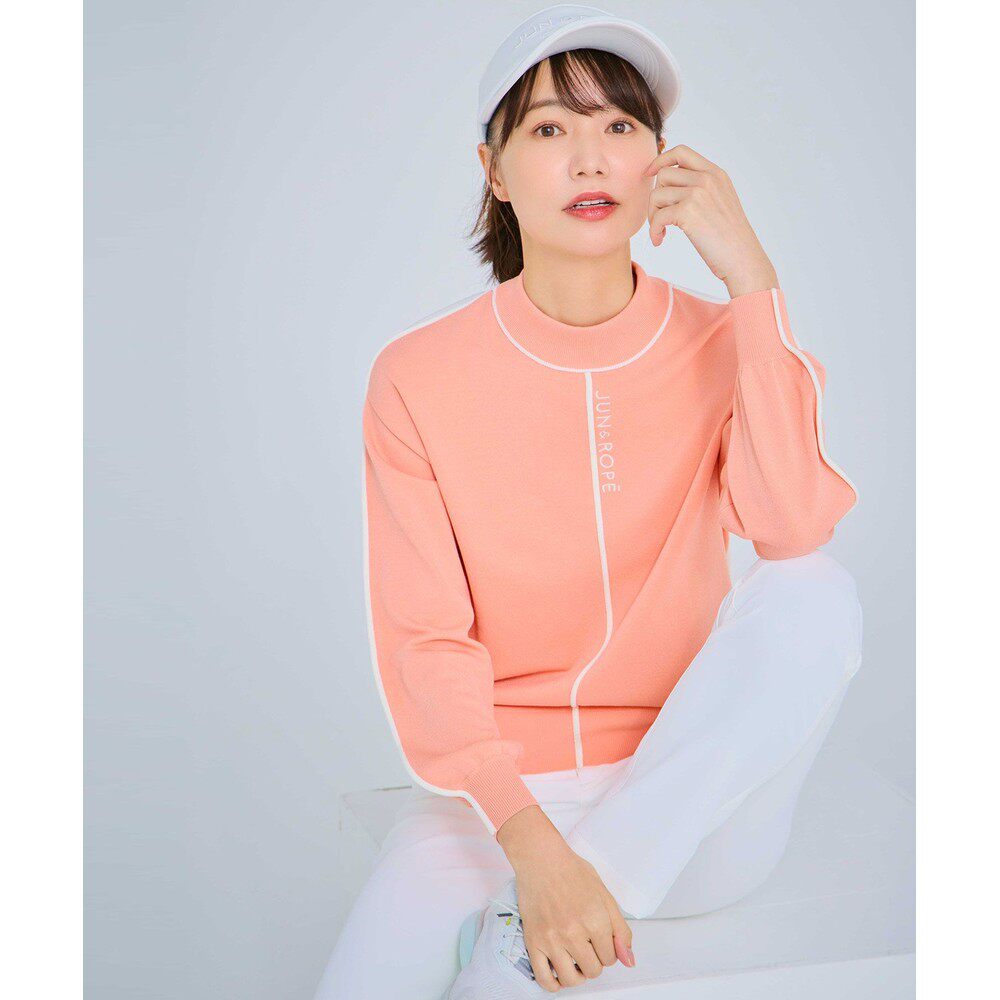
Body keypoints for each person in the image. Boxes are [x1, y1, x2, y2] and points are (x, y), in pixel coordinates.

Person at [312, 5, 863, 998]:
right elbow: (425, 638)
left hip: (697, 813)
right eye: (549, 128)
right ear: (494, 169)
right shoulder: (417, 376)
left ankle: (547, 925)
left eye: (619, 125)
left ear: (659, 158)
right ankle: (547, 904)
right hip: (512, 807)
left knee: (816, 589)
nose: (590, 158)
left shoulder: (719, 340)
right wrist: (533, 848)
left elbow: (791, 527)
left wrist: (751, 279)